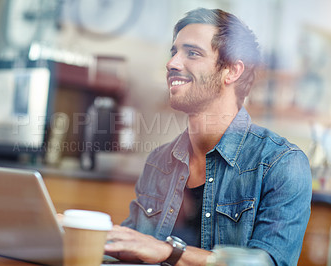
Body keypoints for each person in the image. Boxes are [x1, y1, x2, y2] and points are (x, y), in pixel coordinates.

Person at [104, 7, 312, 266]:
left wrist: (169, 251)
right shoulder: (159, 160)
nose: (172, 63)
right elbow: (133, 251)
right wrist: (72, 237)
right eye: (174, 52)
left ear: (232, 71)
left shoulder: (282, 164)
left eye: (192, 53)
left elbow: (267, 263)